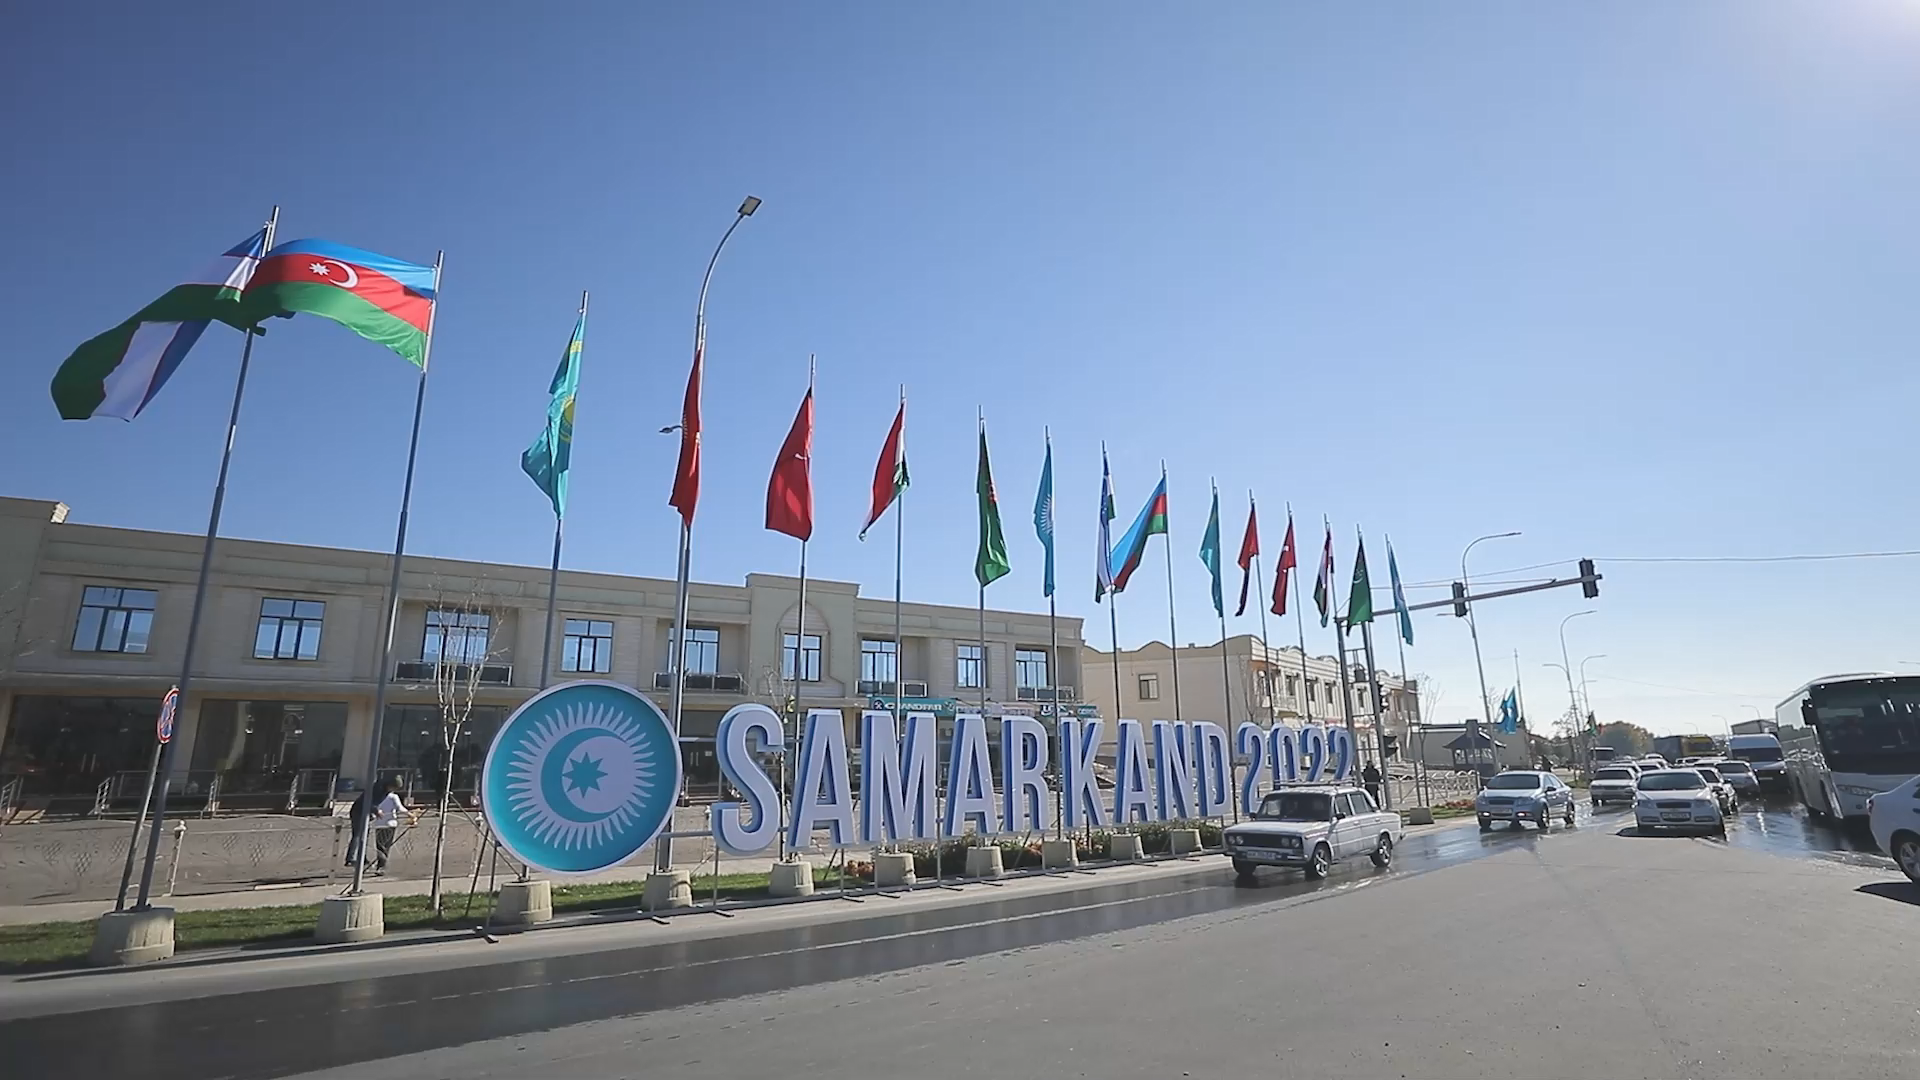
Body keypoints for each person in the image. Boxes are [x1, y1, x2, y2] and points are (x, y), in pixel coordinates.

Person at [369, 780, 415, 875]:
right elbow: (400, 808)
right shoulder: (393, 797)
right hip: (390, 824)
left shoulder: (377, 797)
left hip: (379, 824)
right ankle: (381, 866)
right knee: (385, 846)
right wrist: (410, 814)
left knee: (380, 846)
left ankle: (381, 865)